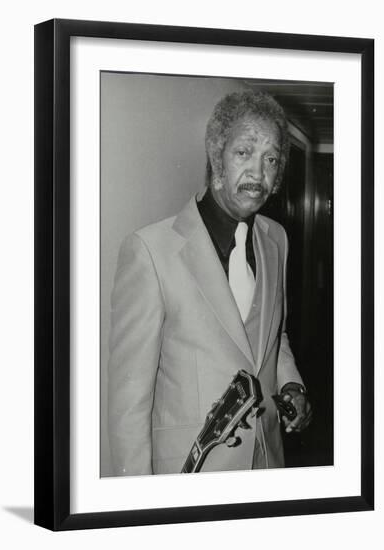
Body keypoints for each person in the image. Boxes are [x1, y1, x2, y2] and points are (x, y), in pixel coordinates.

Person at [108, 89, 312, 476]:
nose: (258, 172)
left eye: (271, 159)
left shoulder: (276, 239)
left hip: (268, 463)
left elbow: (272, 336)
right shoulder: (150, 251)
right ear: (217, 157)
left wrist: (291, 385)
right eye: (244, 153)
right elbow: (128, 405)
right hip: (192, 472)